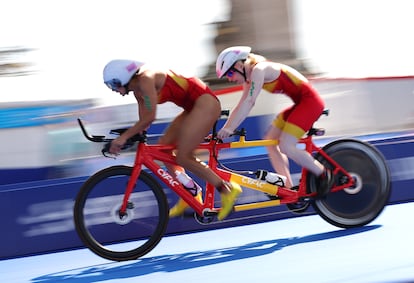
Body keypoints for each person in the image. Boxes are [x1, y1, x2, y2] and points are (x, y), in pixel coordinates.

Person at [103, 59, 242, 220]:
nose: (114, 90)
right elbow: (144, 123)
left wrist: (123, 137)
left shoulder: (145, 78)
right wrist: (124, 139)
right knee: (164, 147)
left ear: (123, 76)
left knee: (183, 156)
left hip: (205, 103)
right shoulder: (138, 91)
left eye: (114, 84)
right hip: (192, 108)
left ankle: (227, 189)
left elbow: (149, 117)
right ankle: (190, 191)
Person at [215, 46, 333, 196]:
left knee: (286, 145)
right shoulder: (250, 76)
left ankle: (324, 174)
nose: (230, 79)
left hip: (310, 103)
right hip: (300, 104)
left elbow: (250, 102)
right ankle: (289, 189)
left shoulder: (259, 70)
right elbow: (240, 106)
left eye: (230, 73)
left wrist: (230, 129)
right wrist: (225, 129)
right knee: (270, 140)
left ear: (239, 65)